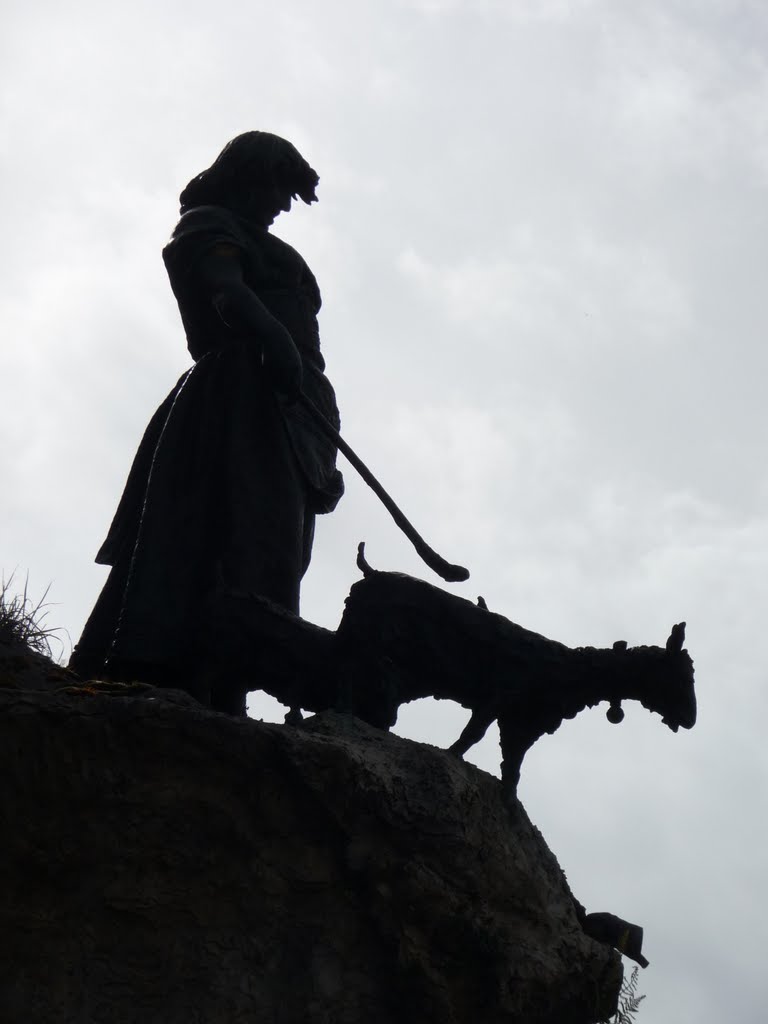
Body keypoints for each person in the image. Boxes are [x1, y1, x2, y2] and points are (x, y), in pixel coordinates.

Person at [69, 132, 343, 711]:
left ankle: (232, 678)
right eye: (274, 189)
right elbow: (224, 290)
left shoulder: (266, 242)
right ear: (243, 176)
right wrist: (273, 338)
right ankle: (181, 666)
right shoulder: (210, 225)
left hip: (290, 408)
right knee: (223, 527)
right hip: (236, 397)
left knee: (276, 547)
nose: (280, 206)